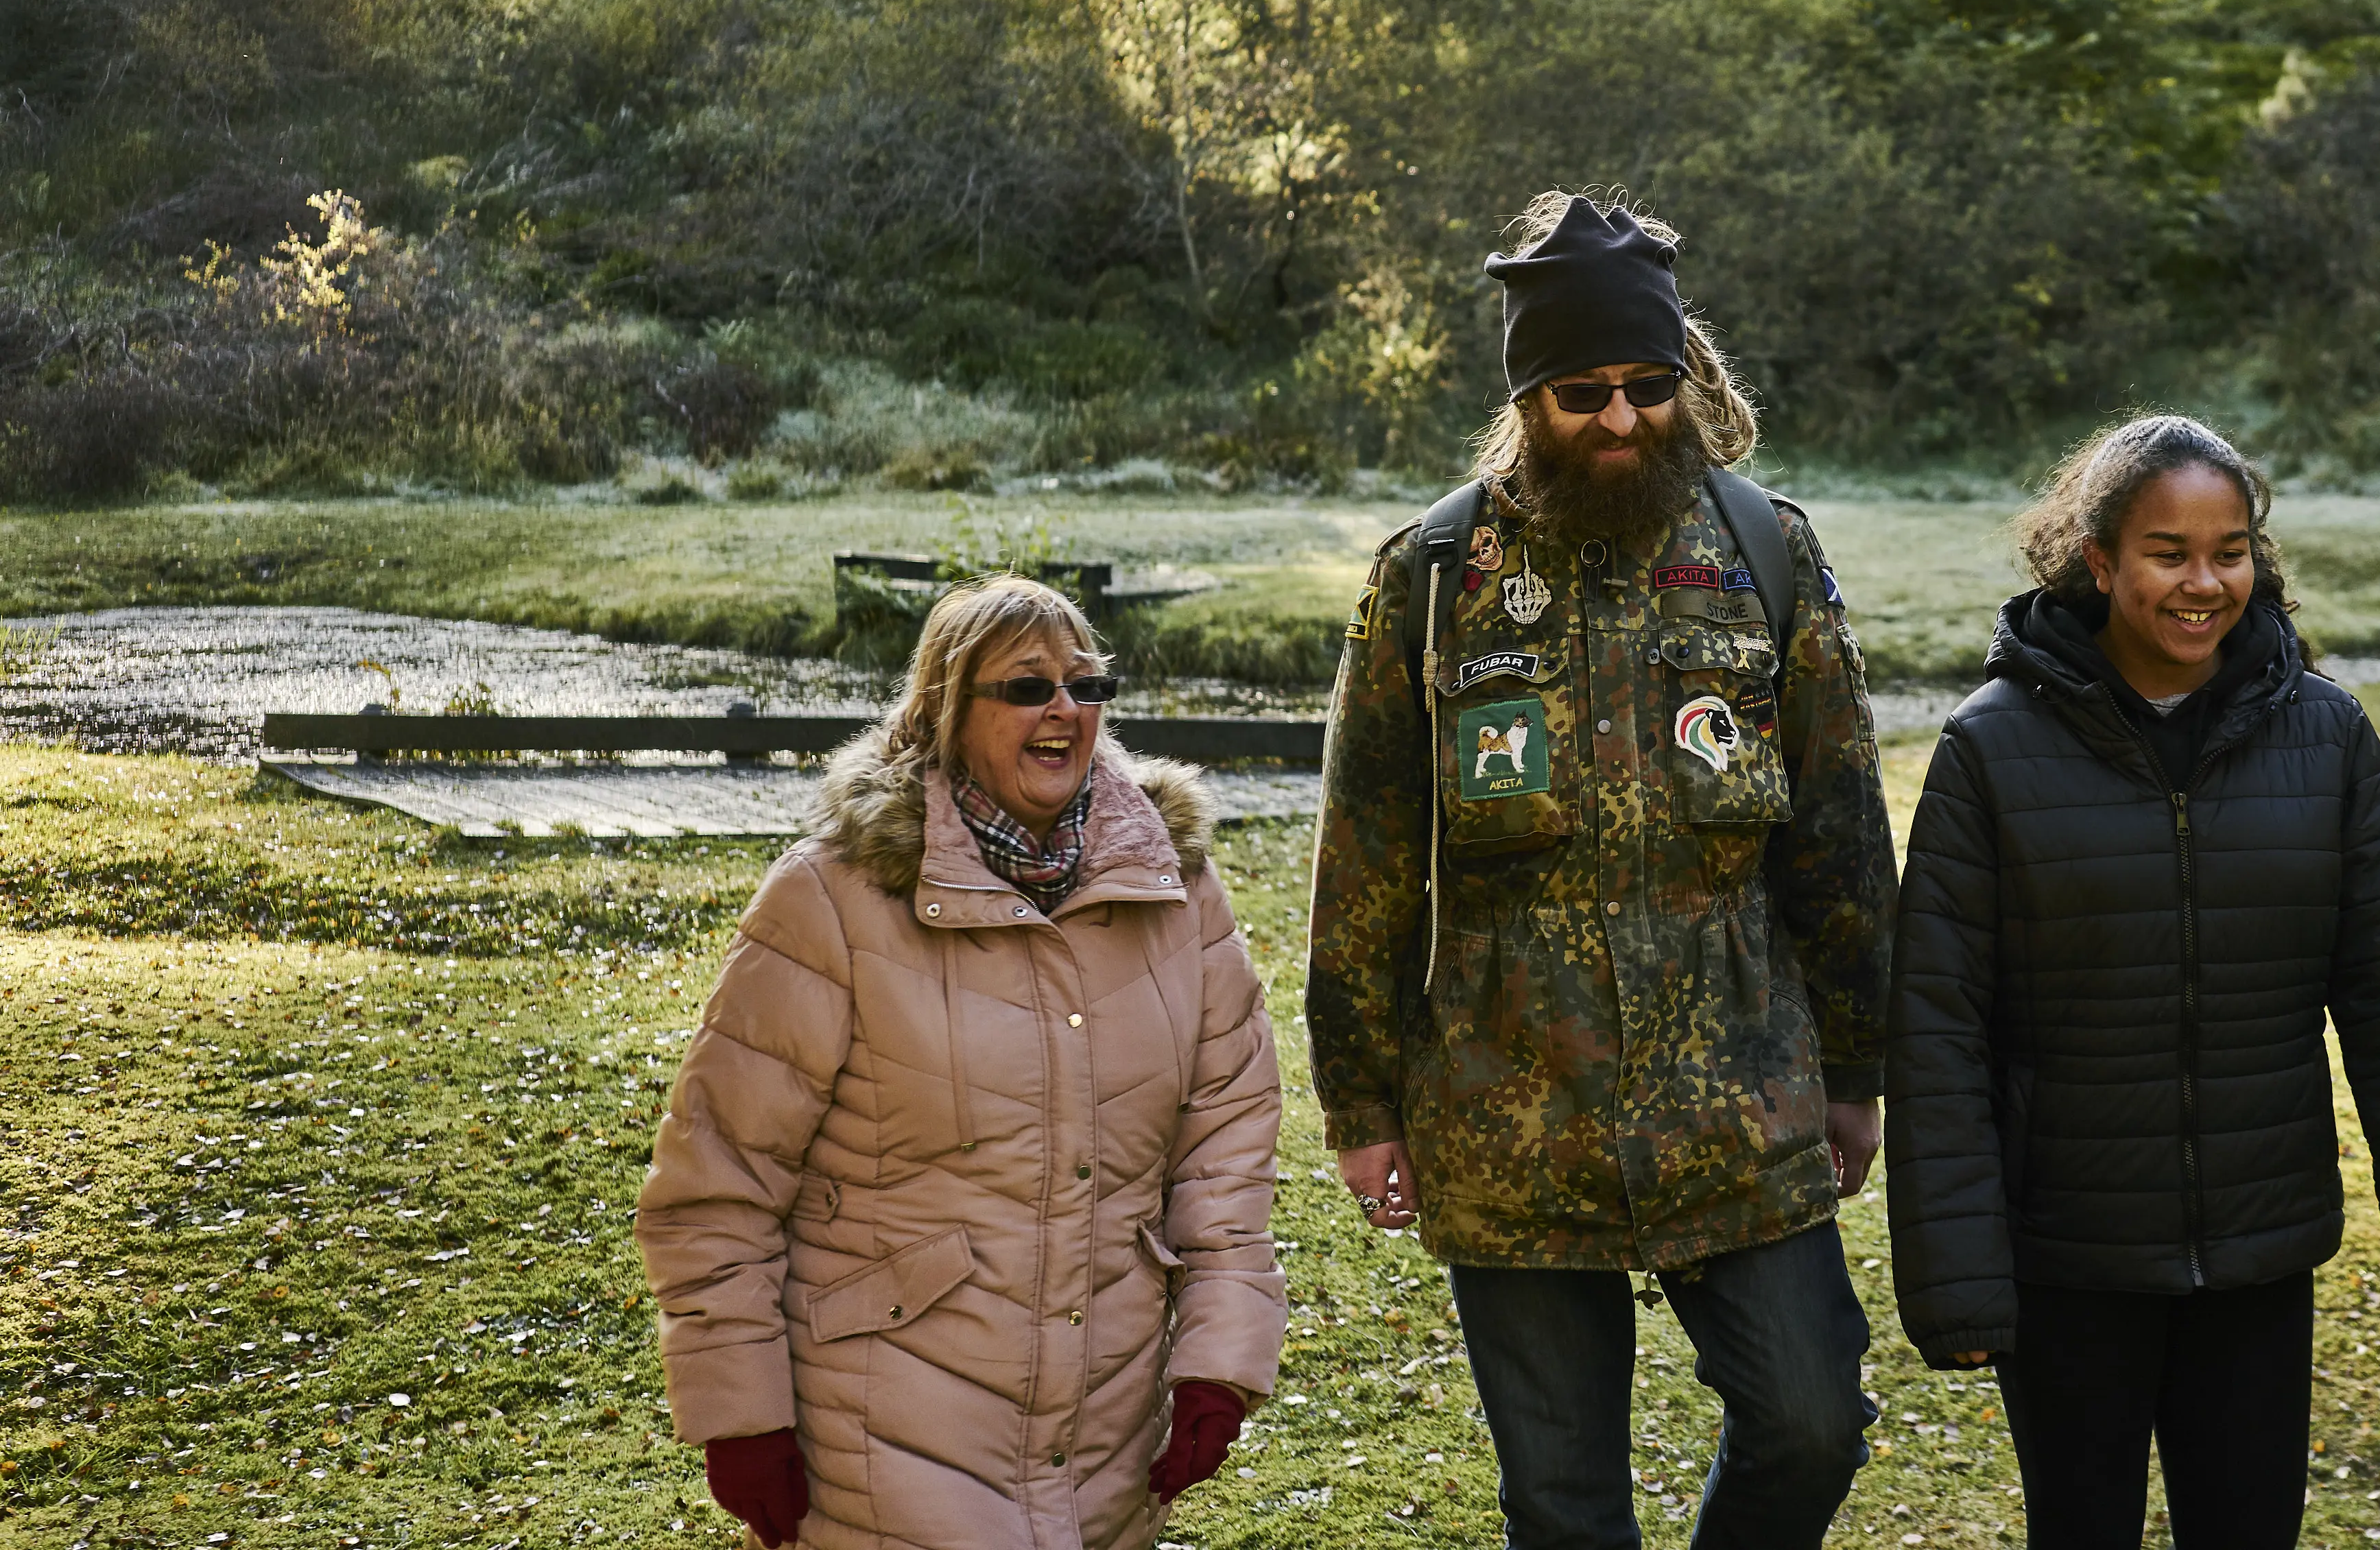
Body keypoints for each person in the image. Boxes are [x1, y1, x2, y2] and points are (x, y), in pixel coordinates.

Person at [1307, 190, 1899, 1550]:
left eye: (1644, 385)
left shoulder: (1765, 555)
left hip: (1739, 1103)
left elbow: (1842, 843)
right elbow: (1366, 862)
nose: (1621, 419)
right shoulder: (1433, 577)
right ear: (1527, 395)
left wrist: (1857, 1073)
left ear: (1681, 375)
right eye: (1582, 393)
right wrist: (1360, 1101)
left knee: (1811, 1420)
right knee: (1564, 1513)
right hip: (1507, 1117)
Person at [1885, 416, 2380, 1550]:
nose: (2204, 583)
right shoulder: (1990, 748)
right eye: (2169, 552)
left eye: (2231, 551)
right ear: (2100, 561)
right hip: (2070, 1255)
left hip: (2260, 1254)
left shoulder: (2329, 739)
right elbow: (1937, 1027)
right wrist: (1959, 1277)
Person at [636, 575, 1283, 1550]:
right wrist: (741, 1412)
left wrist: (1220, 1359)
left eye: (1085, 685)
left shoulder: (1177, 890)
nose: (1065, 709)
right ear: (946, 710)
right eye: (1027, 687)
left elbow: (1226, 1149)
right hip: (885, 1431)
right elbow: (718, 1183)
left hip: (1104, 1435)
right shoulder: (830, 899)